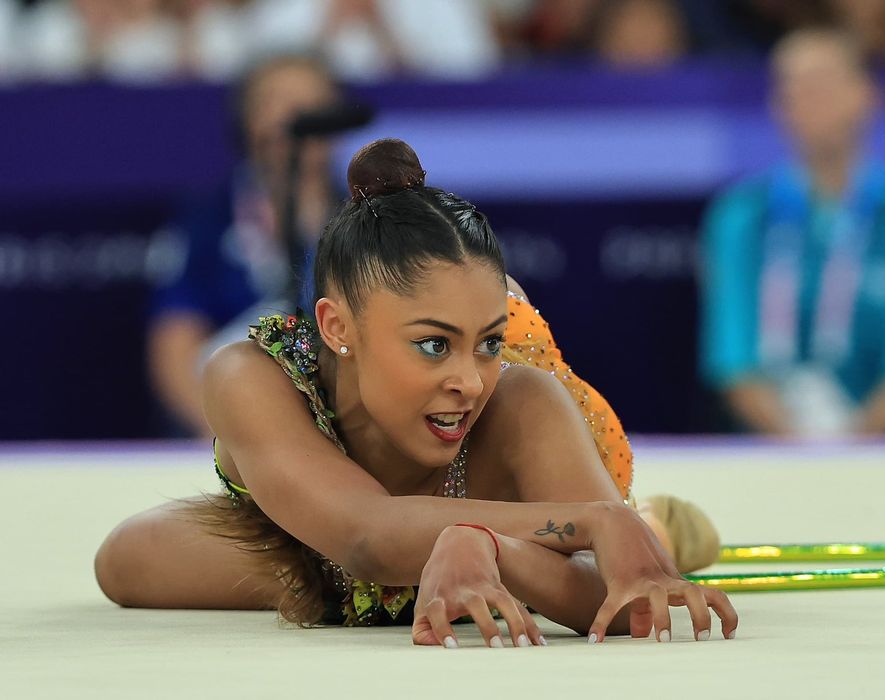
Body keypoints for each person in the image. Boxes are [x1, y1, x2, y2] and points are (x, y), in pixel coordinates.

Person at [96, 138, 733, 647]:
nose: (469, 378)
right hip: (315, 545)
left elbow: (615, 604)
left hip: (510, 496)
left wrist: (494, 548)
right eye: (433, 345)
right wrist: (590, 523)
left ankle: (653, 524)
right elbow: (367, 536)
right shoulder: (249, 375)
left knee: (621, 535)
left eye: (487, 342)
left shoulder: (519, 398)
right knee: (126, 561)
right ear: (336, 327)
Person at [698, 28, 885, 439]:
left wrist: (849, 451)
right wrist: (799, 450)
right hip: (765, 458)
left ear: (869, 94)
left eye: (824, 82)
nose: (808, 98)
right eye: (792, 86)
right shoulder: (740, 215)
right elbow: (733, 359)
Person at [148, 54, 341, 436]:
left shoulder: (372, 216)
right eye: (275, 102)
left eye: (310, 104)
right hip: (231, 427)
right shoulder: (205, 220)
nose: (293, 119)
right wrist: (224, 442)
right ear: (246, 120)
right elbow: (174, 346)